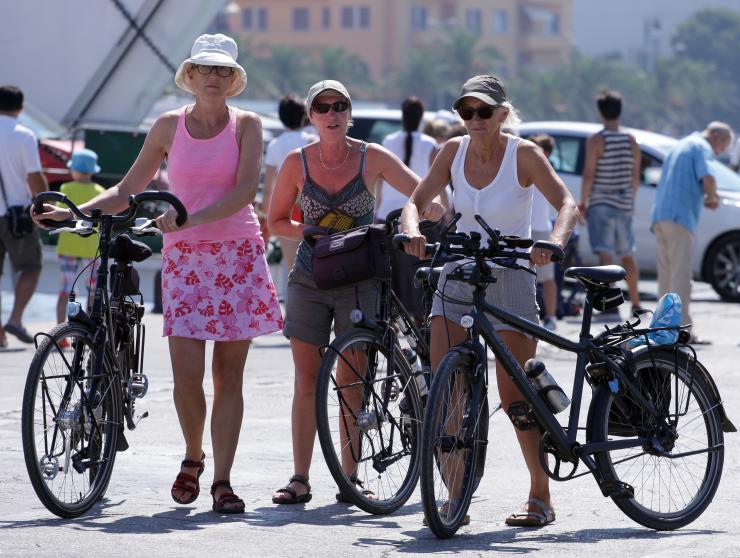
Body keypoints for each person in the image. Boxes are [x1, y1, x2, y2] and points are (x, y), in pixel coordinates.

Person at [34, 33, 283, 513]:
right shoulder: (168, 126)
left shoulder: (248, 125)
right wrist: (75, 213)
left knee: (228, 376)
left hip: (237, 255)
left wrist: (188, 217)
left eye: (222, 71)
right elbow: (128, 189)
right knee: (187, 378)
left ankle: (223, 482)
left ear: (233, 80)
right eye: (204, 69)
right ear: (189, 75)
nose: (213, 77)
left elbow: (243, 193)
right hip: (185, 261)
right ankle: (194, 458)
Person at [402, 75, 579, 527]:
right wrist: (412, 230)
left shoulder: (524, 154)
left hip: (511, 273)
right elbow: (415, 200)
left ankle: (540, 494)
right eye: (466, 112)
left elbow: (566, 205)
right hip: (459, 271)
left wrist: (553, 243)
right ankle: (455, 497)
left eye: (484, 112)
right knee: (448, 387)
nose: (474, 120)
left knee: (514, 395)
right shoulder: (451, 152)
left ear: (502, 114)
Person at [268, 79, 443, 505]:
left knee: (352, 381)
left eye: (340, 106)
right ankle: (300, 478)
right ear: (311, 117)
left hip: (360, 278)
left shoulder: (372, 157)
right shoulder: (297, 162)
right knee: (306, 380)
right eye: (323, 107)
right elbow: (273, 220)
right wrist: (304, 229)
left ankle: (350, 478)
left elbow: (427, 197)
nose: (332, 114)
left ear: (349, 113)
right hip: (308, 278)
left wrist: (416, 219)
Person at [651, 121, 732, 345]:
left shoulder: (680, 145)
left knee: (665, 280)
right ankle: (682, 332)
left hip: (660, 216)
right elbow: (709, 178)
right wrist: (712, 198)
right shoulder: (701, 147)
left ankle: (661, 331)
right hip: (679, 218)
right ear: (716, 136)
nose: (720, 151)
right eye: (722, 146)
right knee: (681, 279)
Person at [376, 96, 440, 321]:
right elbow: (437, 182)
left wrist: (376, 210)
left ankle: (391, 318)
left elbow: (380, 182)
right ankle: (421, 318)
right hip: (419, 215)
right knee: (418, 268)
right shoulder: (430, 144)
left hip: (387, 214)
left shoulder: (387, 141)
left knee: (391, 270)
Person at [580, 90, 642, 318]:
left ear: (600, 112)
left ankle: (611, 303)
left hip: (601, 202)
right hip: (624, 202)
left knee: (606, 255)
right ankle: (635, 302)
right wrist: (631, 200)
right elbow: (636, 175)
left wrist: (583, 202)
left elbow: (589, 174)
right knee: (628, 254)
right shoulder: (630, 140)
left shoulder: (597, 139)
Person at [0, 85, 47, 348]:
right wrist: (44, 204)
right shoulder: (23, 135)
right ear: (20, 107)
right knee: (31, 266)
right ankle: (15, 319)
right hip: (16, 215)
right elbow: (33, 176)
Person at [262, 94, 317, 297]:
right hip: (313, 207)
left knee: (293, 264)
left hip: (287, 208)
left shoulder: (276, 145)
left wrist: (268, 216)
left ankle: (297, 311)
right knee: (317, 261)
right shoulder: (312, 140)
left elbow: (269, 186)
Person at [55, 149, 105, 329]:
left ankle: (60, 332)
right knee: (92, 291)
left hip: (68, 246)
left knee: (65, 290)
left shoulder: (65, 189)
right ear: (92, 171)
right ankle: (91, 329)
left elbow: (59, 216)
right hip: (90, 247)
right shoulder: (100, 191)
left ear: (74, 170)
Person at [529, 134, 559, 331]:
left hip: (541, 228)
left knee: (546, 277)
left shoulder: (545, 170)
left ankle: (551, 316)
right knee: (524, 276)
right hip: (524, 230)